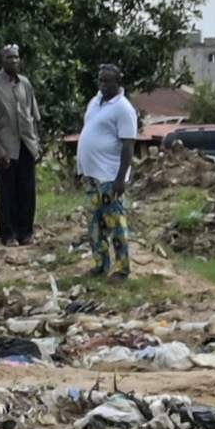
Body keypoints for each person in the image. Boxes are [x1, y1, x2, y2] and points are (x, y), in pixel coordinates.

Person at [74, 70, 140, 278]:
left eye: (107, 81)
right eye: (100, 80)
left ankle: (122, 268)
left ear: (118, 82)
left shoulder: (123, 108)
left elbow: (128, 145)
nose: (102, 85)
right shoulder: (96, 101)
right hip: (92, 175)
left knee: (116, 224)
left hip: (109, 177)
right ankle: (100, 264)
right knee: (95, 225)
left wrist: (121, 178)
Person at [0, 41, 43, 249]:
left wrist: (38, 142)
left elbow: (34, 115)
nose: (14, 60)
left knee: (27, 189)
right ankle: (7, 234)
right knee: (7, 191)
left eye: (16, 57)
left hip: (27, 142)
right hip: (7, 144)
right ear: (2, 60)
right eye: (9, 57)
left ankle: (26, 232)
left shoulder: (25, 83)